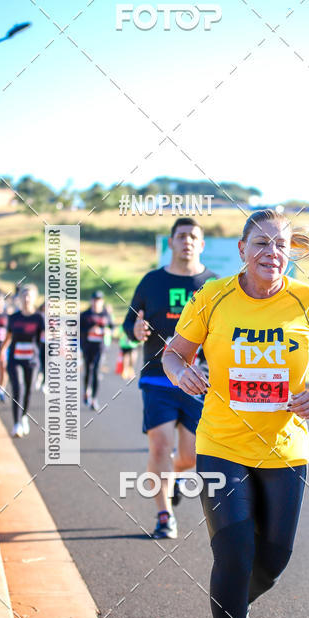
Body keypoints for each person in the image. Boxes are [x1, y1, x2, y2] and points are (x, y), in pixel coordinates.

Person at [162, 209, 309, 618]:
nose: (272, 253)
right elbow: (173, 352)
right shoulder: (213, 296)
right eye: (261, 243)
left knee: (275, 557)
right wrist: (181, 374)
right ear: (242, 250)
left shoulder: (308, 300)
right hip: (221, 444)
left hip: (285, 447)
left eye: (281, 244)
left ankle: (233, 606)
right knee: (235, 550)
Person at [123, 218, 216, 539]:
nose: (187, 241)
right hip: (157, 377)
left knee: (189, 456)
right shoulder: (152, 281)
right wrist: (134, 330)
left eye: (193, 237)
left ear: (201, 245)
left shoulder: (213, 285)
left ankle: (174, 476)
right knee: (160, 446)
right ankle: (165, 516)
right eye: (181, 236)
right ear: (171, 243)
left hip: (197, 381)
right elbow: (130, 322)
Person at [0, 284, 45, 438]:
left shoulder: (39, 318)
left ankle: (24, 415)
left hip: (32, 360)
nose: (26, 299)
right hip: (15, 359)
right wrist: (2, 350)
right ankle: (17, 424)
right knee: (18, 389)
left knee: (28, 392)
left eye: (29, 296)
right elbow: (8, 336)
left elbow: (45, 337)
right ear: (19, 298)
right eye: (24, 296)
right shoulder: (14, 317)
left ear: (34, 298)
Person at [80, 291, 114, 410]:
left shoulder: (105, 314)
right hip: (87, 347)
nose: (96, 302)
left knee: (96, 371)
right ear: (91, 301)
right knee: (88, 370)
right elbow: (78, 329)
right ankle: (86, 392)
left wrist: (107, 331)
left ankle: (94, 398)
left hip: (100, 348)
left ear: (102, 301)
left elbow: (112, 327)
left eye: (99, 300)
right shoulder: (85, 314)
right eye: (95, 300)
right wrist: (90, 330)